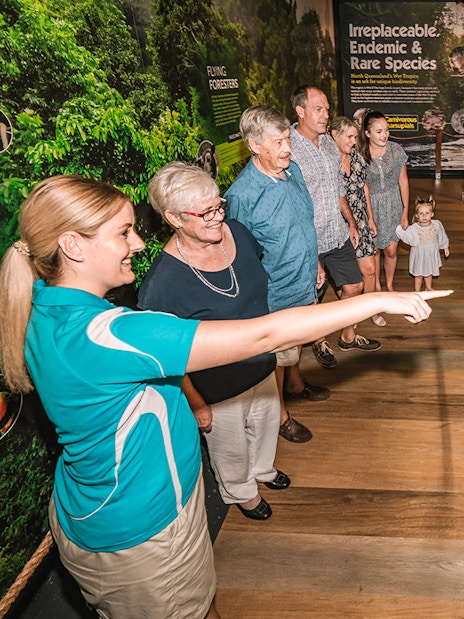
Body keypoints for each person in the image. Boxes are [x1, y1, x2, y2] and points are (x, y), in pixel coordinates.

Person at [0, 174, 450, 618]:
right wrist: (377, 301)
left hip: (100, 511)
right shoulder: (111, 335)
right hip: (144, 525)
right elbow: (264, 335)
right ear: (73, 246)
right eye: (123, 233)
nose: (137, 243)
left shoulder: (43, 305)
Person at [138, 162, 288, 521]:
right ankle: (242, 492)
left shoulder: (237, 231)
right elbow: (166, 359)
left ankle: (263, 470)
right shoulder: (161, 284)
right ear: (174, 218)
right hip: (217, 388)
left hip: (261, 365)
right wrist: (196, 403)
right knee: (231, 449)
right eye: (206, 212)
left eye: (218, 205)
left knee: (266, 428)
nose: (218, 216)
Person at [225, 105, 328, 444]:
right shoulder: (242, 196)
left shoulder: (292, 170)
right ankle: (280, 415)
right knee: (277, 359)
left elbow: (303, 223)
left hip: (303, 281)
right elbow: (238, 258)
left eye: (288, 139)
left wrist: (314, 263)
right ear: (254, 145)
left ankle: (296, 386)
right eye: (279, 142)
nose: (288, 148)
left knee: (295, 347)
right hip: (276, 295)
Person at [290, 85, 381, 363]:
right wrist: (311, 252)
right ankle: (319, 341)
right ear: (300, 111)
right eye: (319, 109)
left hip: (338, 233)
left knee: (353, 286)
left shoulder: (329, 143)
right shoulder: (289, 149)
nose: (325, 114)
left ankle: (347, 337)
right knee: (312, 296)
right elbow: (293, 204)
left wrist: (351, 223)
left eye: (327, 109)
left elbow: (337, 189)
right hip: (310, 239)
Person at [331, 116, 386, 327]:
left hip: (360, 220)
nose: (354, 141)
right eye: (350, 137)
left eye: (355, 136)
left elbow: (364, 187)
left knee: (370, 270)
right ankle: (350, 313)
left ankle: (369, 310)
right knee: (344, 277)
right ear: (335, 135)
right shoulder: (327, 162)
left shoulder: (356, 157)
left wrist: (370, 218)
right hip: (338, 223)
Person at [357, 110, 409, 292]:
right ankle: (377, 287)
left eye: (386, 130)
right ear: (367, 133)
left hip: (394, 204)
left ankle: (389, 285)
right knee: (375, 250)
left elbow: (403, 181)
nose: (385, 135)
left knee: (392, 251)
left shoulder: (396, 150)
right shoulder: (360, 154)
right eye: (379, 131)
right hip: (372, 208)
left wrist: (405, 211)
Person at [396, 195, 450, 291]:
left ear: (432, 214)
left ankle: (428, 287)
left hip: (431, 254)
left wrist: (445, 247)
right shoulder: (414, 228)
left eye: (427, 213)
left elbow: (442, 235)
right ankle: (417, 291)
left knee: (429, 272)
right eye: (421, 213)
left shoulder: (437, 224)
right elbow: (408, 237)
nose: (424, 216)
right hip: (419, 255)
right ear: (416, 215)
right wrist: (399, 229)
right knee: (419, 274)